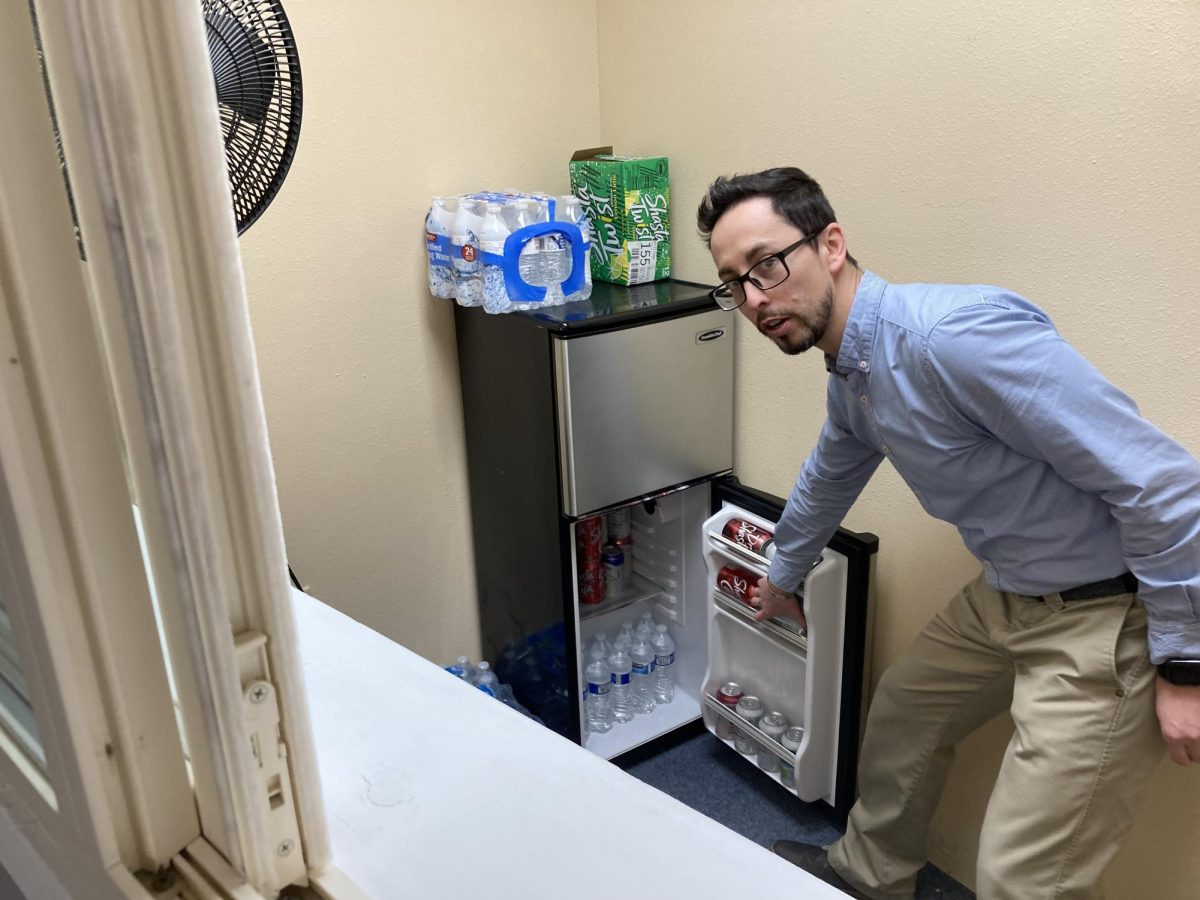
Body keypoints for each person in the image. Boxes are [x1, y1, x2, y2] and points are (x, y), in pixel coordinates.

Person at [696, 167, 1200, 900]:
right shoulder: (855, 371)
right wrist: (781, 572)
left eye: (768, 264)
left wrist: (1185, 665)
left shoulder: (948, 340)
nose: (753, 298)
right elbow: (830, 473)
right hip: (1010, 593)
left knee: (1022, 879)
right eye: (732, 282)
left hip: (1109, 616)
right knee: (905, 714)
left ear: (831, 244)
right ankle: (871, 876)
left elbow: (1164, 484)